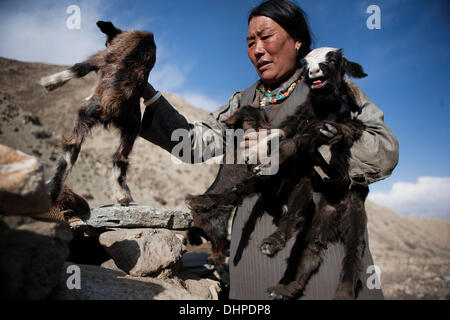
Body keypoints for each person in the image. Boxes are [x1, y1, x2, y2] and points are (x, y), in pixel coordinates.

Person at [139, 0, 399, 300]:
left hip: (323, 260)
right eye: (250, 42)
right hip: (252, 262)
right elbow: (192, 144)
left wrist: (301, 147)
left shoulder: (335, 86)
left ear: (298, 41)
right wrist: (148, 93)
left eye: (266, 37)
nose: (257, 50)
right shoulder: (244, 100)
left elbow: (385, 150)